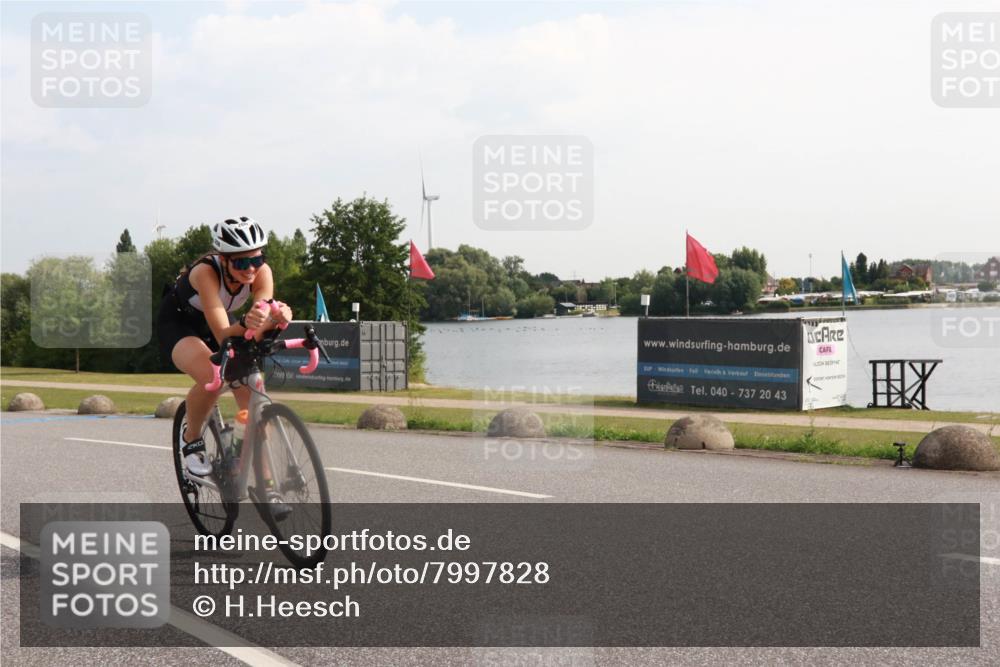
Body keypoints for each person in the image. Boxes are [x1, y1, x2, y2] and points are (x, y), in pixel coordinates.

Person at [158, 216, 292, 478]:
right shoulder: (205, 272)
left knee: (255, 400)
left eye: (257, 259)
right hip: (180, 322)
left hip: (225, 321)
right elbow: (223, 334)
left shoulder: (262, 272)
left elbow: (259, 318)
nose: (251, 269)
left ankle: (266, 486)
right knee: (215, 378)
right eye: (242, 262)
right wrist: (251, 322)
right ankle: (191, 438)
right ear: (223, 259)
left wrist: (279, 317)